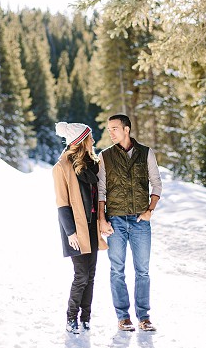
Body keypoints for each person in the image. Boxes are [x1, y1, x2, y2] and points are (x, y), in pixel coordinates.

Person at [97, 114, 162, 332]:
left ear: (127, 129)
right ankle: (123, 317)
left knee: (142, 270)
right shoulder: (105, 156)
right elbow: (101, 191)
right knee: (117, 270)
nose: (111, 132)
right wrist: (102, 219)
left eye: (114, 128)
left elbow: (156, 183)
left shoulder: (146, 153)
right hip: (115, 220)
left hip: (140, 221)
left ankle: (144, 317)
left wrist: (150, 210)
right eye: (109, 129)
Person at [53, 122, 108, 334]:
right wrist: (70, 232)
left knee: (91, 275)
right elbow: (61, 203)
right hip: (76, 230)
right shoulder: (61, 168)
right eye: (90, 137)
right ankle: (71, 318)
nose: (93, 141)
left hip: (92, 227)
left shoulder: (93, 165)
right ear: (81, 140)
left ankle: (86, 318)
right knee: (81, 275)